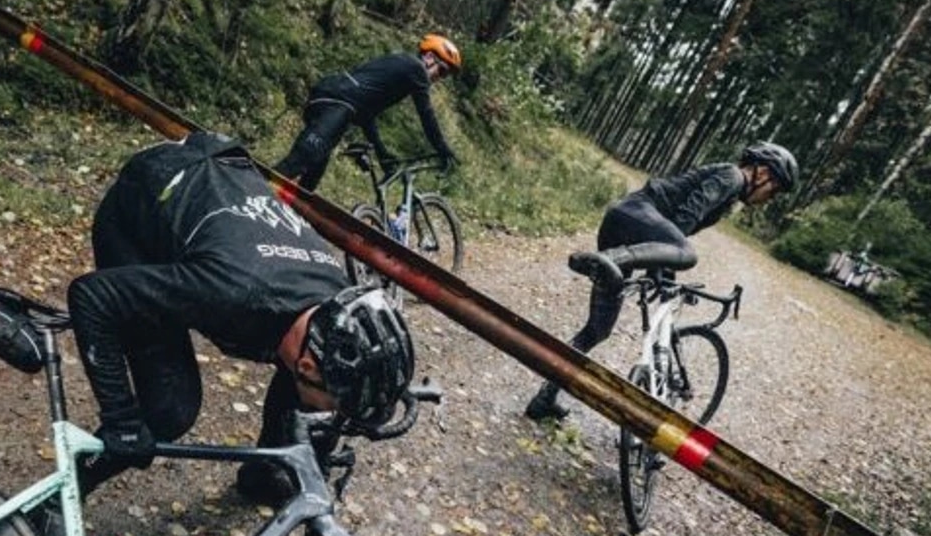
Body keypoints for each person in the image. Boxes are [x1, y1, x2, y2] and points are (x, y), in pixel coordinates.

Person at [67, 128, 417, 503]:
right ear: (309, 367)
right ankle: (60, 499)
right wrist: (120, 417)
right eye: (332, 407)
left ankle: (263, 474)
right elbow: (91, 295)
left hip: (221, 179)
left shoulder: (333, 306)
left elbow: (329, 374)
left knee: (305, 389)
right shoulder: (233, 292)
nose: (329, 416)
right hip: (141, 211)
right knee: (170, 408)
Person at [523, 142, 799, 422]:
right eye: (774, 190)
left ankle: (544, 398)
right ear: (763, 173)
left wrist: (661, 269)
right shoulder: (733, 176)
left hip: (626, 227)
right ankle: (608, 260)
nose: (769, 198)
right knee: (688, 254)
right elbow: (685, 219)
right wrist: (663, 266)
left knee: (597, 330)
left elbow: (671, 234)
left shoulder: (730, 190)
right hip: (637, 217)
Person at [273, 34, 463, 190]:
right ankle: (248, 194)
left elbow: (367, 116)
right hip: (338, 103)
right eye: (442, 71)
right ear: (429, 57)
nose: (440, 78)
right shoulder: (416, 69)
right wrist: (442, 149)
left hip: (334, 101)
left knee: (310, 178)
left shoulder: (399, 69)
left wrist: (382, 155)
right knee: (298, 162)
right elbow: (426, 115)